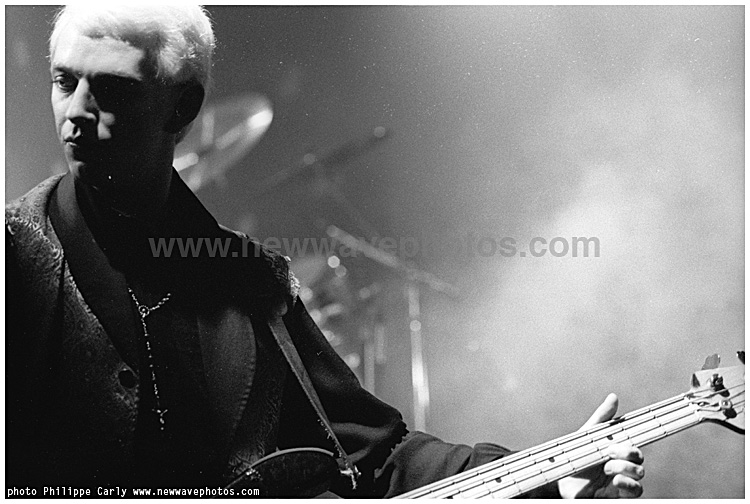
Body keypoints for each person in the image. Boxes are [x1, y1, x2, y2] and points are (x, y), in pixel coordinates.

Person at [5, 5, 645, 498]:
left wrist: (545, 476)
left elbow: (377, 454)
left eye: (111, 90)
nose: (75, 112)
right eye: (64, 82)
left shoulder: (248, 280)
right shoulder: (15, 259)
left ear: (183, 108)